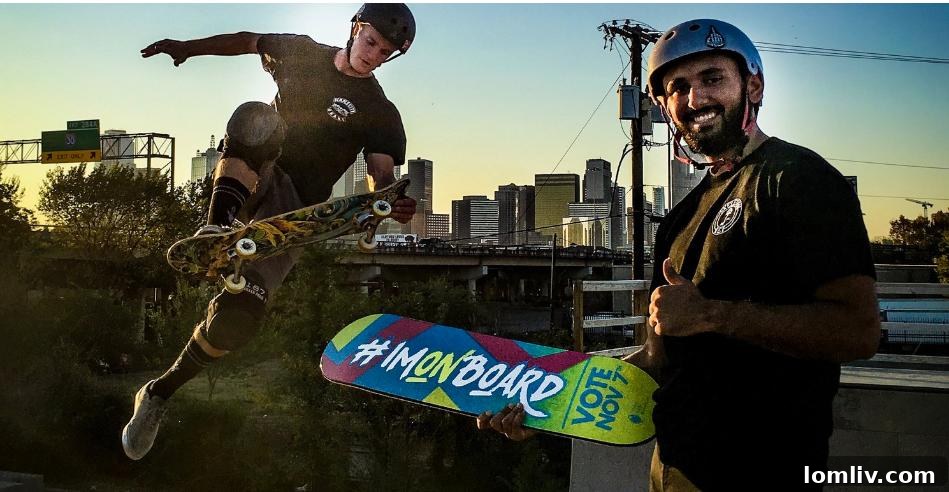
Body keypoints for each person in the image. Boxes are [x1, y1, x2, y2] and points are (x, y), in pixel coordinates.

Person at [478, 18, 880, 491]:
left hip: (762, 470)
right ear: (666, 107)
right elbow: (657, 358)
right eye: (678, 88)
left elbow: (858, 331)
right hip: (671, 468)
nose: (695, 98)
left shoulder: (794, 178)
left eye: (712, 78)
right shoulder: (682, 215)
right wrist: (548, 406)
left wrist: (712, 314)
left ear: (752, 86)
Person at [122, 3, 418, 461]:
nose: (373, 56)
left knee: (237, 321)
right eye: (371, 42)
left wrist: (386, 201)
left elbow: (381, 174)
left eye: (384, 53)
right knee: (256, 116)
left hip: (293, 209)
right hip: (255, 173)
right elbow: (246, 40)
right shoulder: (301, 53)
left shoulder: (379, 111)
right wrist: (188, 48)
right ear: (356, 28)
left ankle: (158, 392)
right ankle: (217, 225)